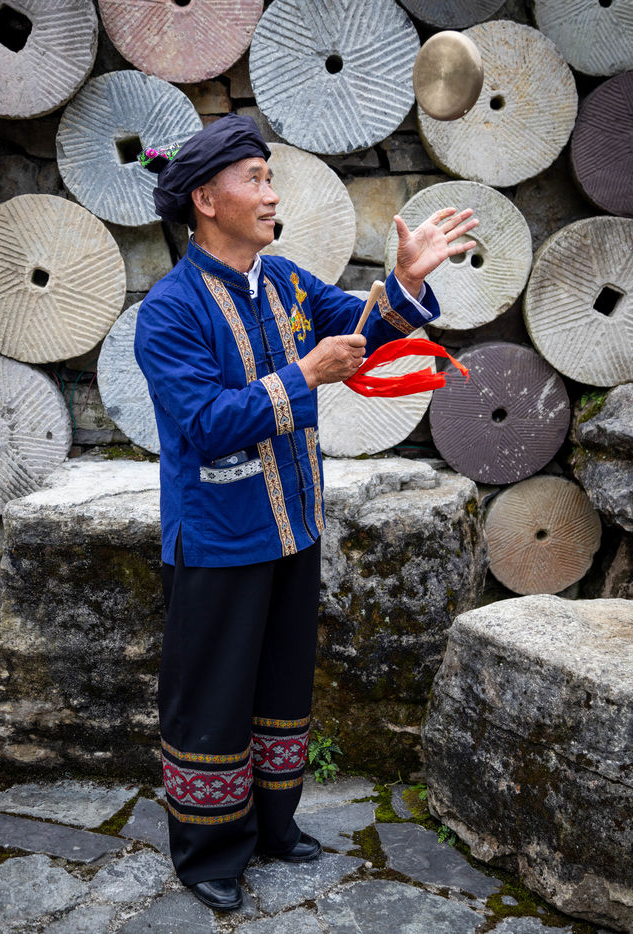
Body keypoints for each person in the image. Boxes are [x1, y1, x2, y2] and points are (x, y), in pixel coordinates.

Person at [134, 113, 477, 912]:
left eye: (269, 178)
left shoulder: (285, 282)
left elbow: (362, 335)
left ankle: (272, 824)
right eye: (254, 179)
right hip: (217, 537)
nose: (271, 194)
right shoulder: (169, 310)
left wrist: (406, 283)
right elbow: (204, 423)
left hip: (292, 524)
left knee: (280, 687)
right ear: (204, 200)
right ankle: (209, 850)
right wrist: (303, 375)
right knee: (213, 695)